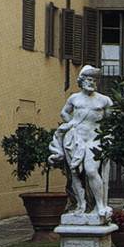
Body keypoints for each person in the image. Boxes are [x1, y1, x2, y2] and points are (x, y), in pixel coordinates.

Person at [49, 65, 114, 223]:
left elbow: (110, 119)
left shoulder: (104, 100)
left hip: (95, 138)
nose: (91, 82)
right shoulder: (74, 98)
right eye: (88, 79)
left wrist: (108, 136)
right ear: (81, 81)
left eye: (94, 80)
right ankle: (81, 204)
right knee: (75, 173)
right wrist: (71, 123)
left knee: (91, 170)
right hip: (76, 139)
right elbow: (64, 112)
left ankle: (100, 206)